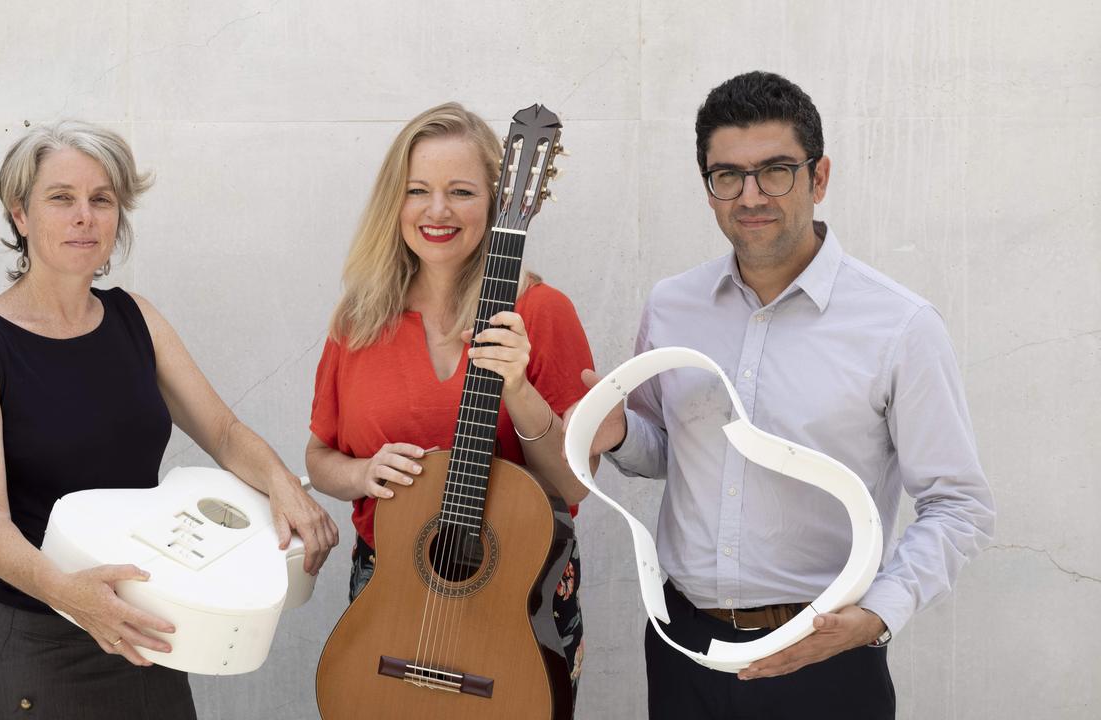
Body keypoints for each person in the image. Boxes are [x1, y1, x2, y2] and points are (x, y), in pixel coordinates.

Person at [567, 72, 996, 719]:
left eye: (775, 170)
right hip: (684, 646)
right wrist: (621, 433)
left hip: (824, 654)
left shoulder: (899, 326)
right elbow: (667, 448)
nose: (751, 194)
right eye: (728, 175)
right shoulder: (671, 305)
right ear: (708, 187)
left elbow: (958, 504)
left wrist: (878, 614)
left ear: (818, 178)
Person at [0, 120, 338, 719]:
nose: (84, 216)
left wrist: (282, 484)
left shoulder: (135, 319)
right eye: (61, 198)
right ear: (19, 215)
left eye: (102, 200)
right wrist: (74, 597)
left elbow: (223, 433)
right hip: (36, 637)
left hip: (148, 631)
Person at [305, 102, 594, 693]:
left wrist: (517, 388)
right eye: (418, 191)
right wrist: (362, 474)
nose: (437, 211)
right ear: (396, 202)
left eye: (461, 191)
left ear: (498, 199)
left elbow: (571, 487)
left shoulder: (541, 312)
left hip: (515, 596)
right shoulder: (360, 320)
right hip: (391, 587)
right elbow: (319, 459)